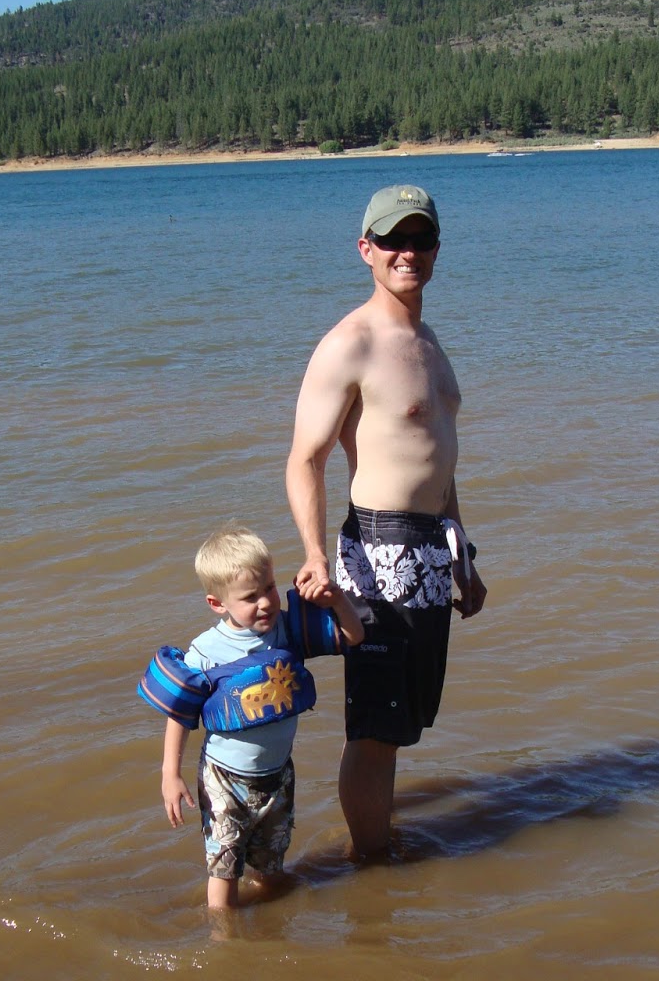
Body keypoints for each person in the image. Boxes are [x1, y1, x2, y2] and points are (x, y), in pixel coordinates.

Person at [286, 183, 486, 858]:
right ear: (365, 249)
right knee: (373, 727)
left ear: (436, 248)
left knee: (404, 722)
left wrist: (464, 555)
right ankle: (370, 867)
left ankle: (379, 851)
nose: (408, 252)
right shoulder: (351, 343)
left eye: (420, 239)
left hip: (432, 551)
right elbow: (304, 460)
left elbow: (439, 459)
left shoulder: (429, 342)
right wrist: (314, 555)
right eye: (393, 240)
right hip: (376, 552)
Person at [138, 528, 363, 908]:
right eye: (249, 597)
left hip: (277, 774)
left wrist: (338, 599)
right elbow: (179, 714)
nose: (265, 603)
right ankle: (223, 941)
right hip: (225, 778)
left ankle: (268, 930)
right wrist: (169, 774)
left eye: (270, 588)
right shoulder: (205, 653)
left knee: (270, 867)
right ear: (217, 603)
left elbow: (353, 636)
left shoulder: (288, 630)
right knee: (224, 868)